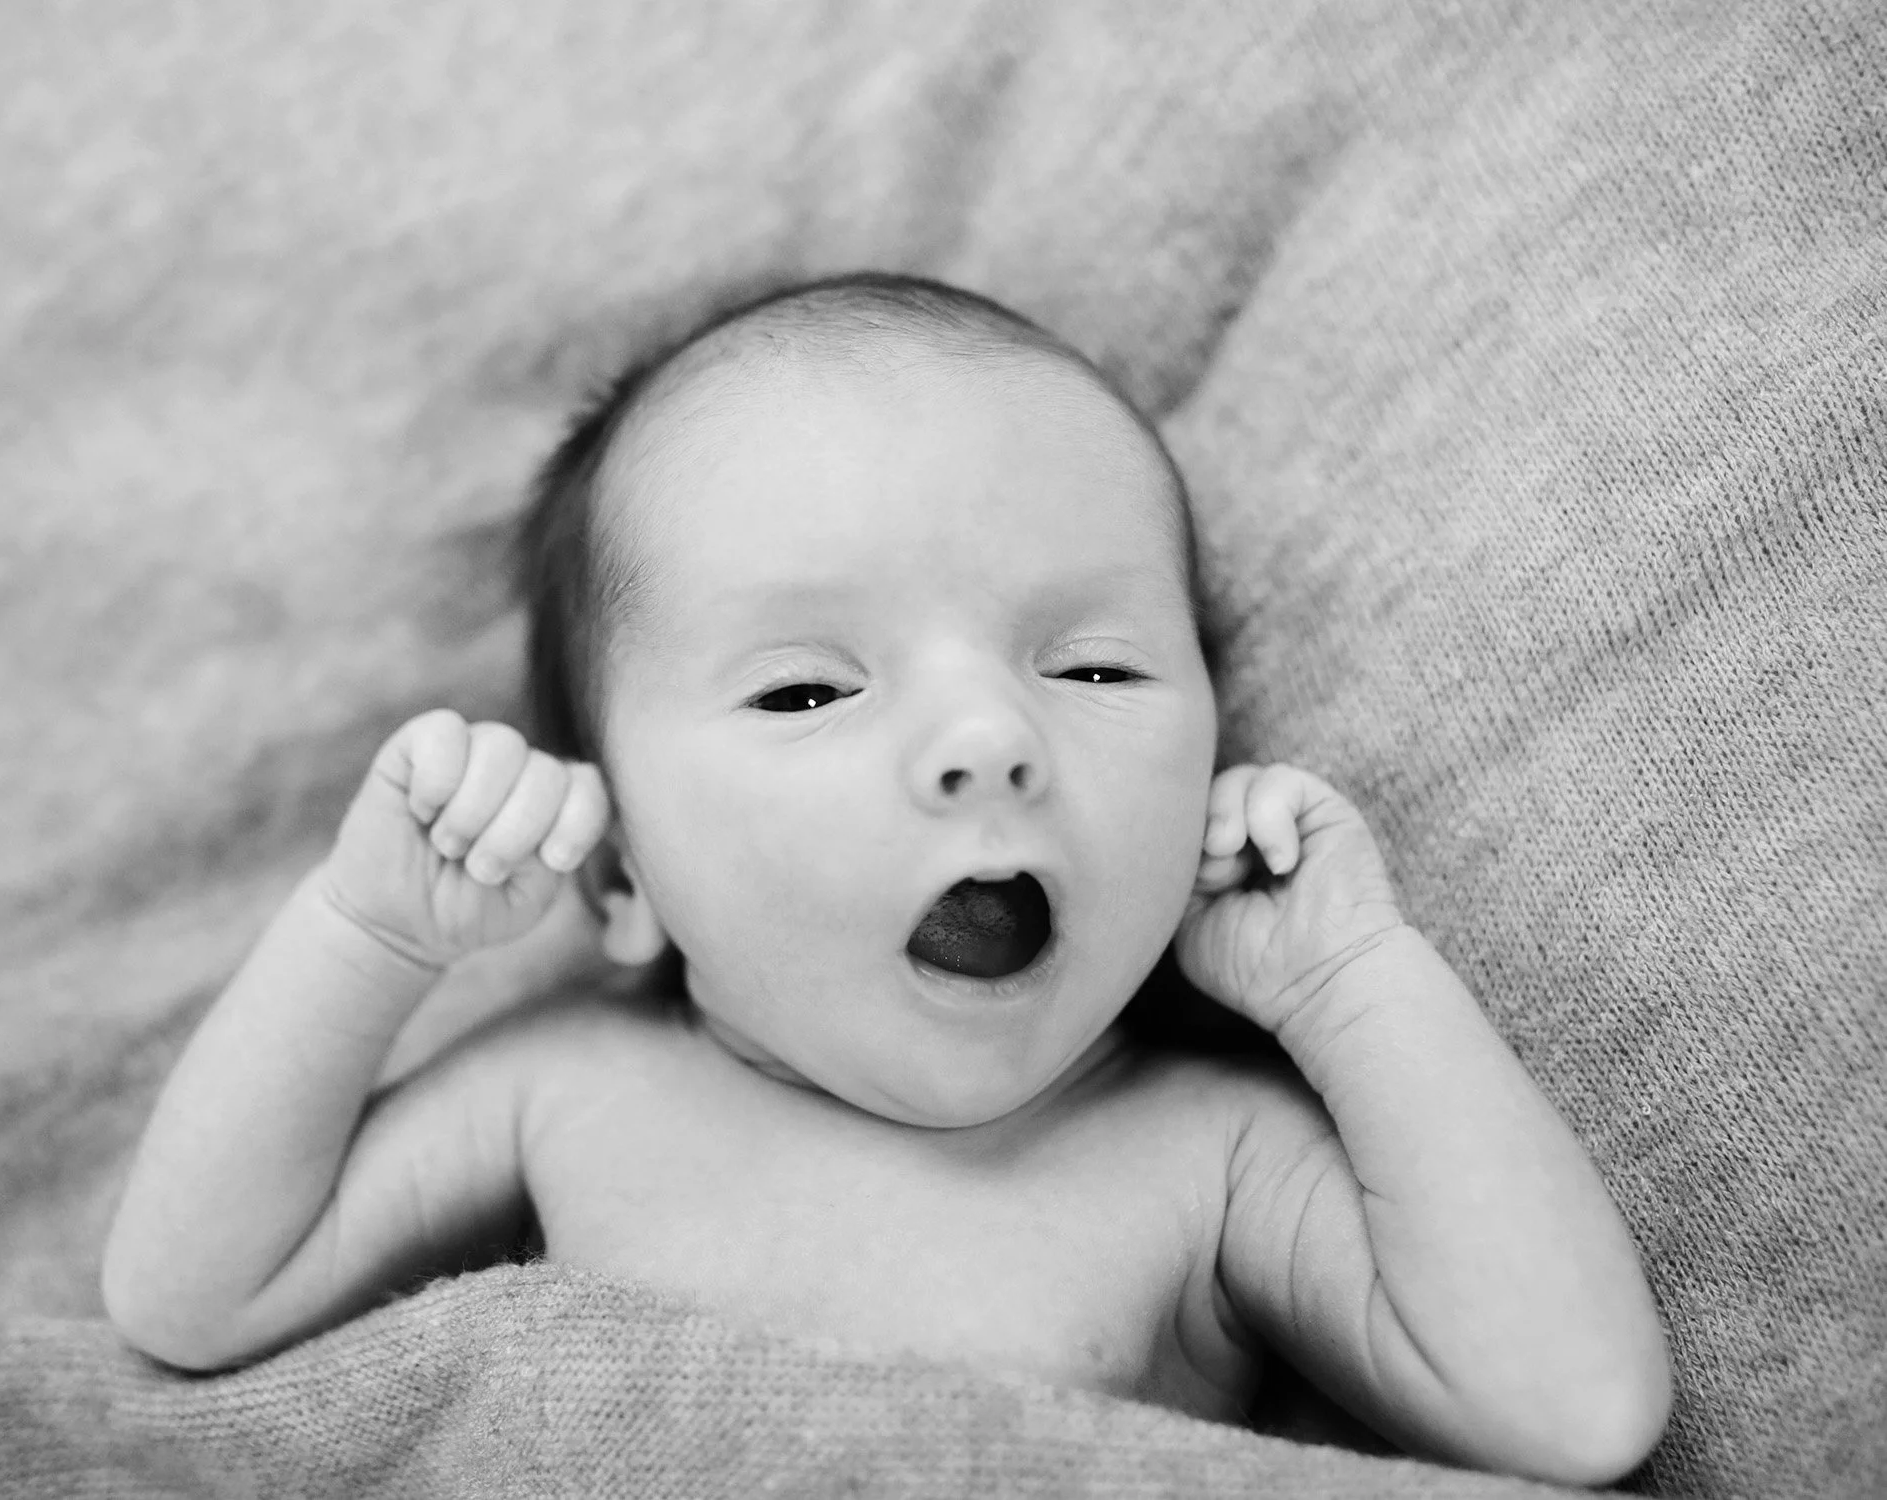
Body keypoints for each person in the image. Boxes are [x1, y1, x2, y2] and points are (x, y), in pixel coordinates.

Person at [101, 273, 1671, 1486]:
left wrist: (1352, 982)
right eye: (807, 690)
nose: (988, 739)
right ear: (624, 869)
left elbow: (1576, 1409)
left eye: (1095, 666)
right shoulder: (566, 1090)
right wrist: (368, 933)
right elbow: (193, 1295)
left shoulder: (1212, 1157)